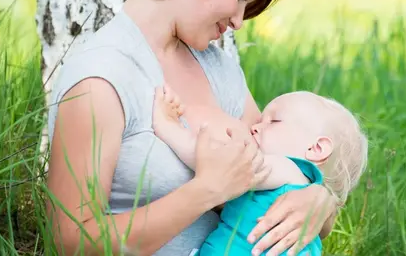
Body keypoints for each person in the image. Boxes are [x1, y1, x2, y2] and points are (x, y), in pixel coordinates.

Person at [44, 0, 339, 255]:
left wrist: (320, 201)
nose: (238, 21)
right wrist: (205, 192)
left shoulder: (219, 69)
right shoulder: (102, 79)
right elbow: (71, 241)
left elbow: (271, 174)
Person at [151, 86, 369, 256]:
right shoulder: (291, 185)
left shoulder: (290, 171)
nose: (255, 127)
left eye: (273, 121)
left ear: (316, 148)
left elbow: (215, 162)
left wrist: (169, 127)